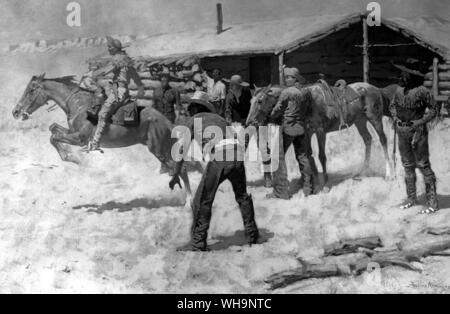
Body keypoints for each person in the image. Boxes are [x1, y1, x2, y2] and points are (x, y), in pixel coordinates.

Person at [169, 91, 259, 251]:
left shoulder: (194, 120)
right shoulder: (221, 120)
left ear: (197, 108)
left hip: (220, 158)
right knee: (242, 196)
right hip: (236, 155)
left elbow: (182, 148)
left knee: (202, 201)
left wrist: (176, 173)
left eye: (190, 106)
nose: (188, 109)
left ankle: (197, 243)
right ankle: (253, 236)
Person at [390, 71, 439, 214]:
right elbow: (392, 106)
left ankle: (432, 202)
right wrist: (395, 118)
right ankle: (411, 198)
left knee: (423, 165)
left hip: (418, 133)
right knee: (407, 165)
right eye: (402, 74)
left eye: (405, 75)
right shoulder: (398, 90)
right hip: (402, 131)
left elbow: (433, 110)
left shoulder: (423, 91)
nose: (401, 77)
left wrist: (419, 122)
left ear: (413, 77)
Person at [84, 36, 144, 151]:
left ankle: (96, 142)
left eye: (110, 47)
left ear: (116, 48)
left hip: (118, 91)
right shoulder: (126, 59)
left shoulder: (118, 59)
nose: (108, 49)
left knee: (102, 113)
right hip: (119, 89)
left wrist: (92, 74)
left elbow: (107, 69)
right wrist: (140, 86)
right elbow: (135, 75)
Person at [266, 67, 314, 199]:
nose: (287, 79)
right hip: (301, 129)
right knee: (303, 157)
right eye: (286, 77)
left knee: (277, 157)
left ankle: (280, 192)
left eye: (290, 77)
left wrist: (272, 115)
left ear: (295, 79)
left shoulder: (287, 92)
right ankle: (308, 187)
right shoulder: (304, 92)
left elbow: (278, 109)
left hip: (287, 128)